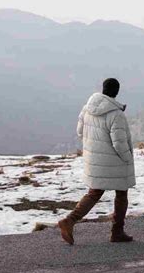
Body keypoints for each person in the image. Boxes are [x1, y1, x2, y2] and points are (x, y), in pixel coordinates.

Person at [58, 78, 136, 245]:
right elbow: (119, 143)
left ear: (103, 89)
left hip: (94, 160)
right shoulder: (116, 114)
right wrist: (128, 159)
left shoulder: (87, 108)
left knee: (94, 193)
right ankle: (117, 232)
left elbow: (80, 132)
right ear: (117, 92)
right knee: (121, 194)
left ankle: (70, 220)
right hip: (115, 161)